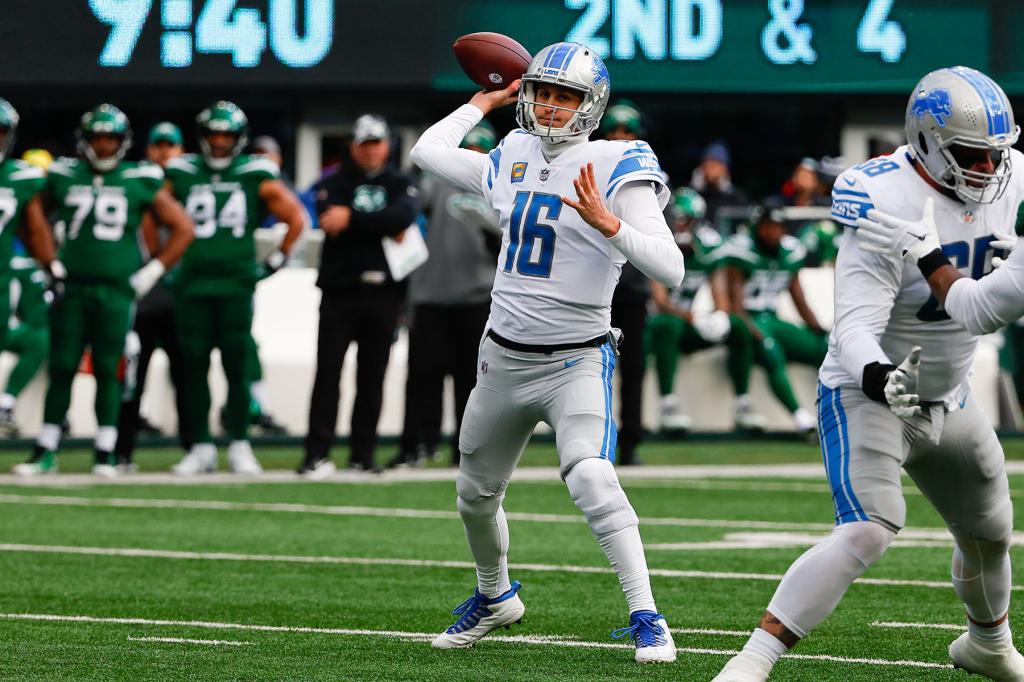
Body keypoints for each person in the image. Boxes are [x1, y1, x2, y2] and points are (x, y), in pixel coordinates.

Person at [714, 66, 1024, 681]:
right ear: (928, 140)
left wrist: (930, 256)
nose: (988, 172)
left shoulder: (1011, 181)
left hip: (949, 393)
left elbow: (978, 309)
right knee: (869, 529)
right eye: (972, 156)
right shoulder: (884, 195)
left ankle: (988, 644)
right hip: (871, 390)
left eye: (996, 157)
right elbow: (853, 323)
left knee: (991, 530)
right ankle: (753, 660)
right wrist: (880, 375)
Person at [410, 42, 684, 662]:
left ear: (591, 106)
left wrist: (610, 225)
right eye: (542, 91)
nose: (551, 106)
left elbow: (672, 267)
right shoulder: (511, 151)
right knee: (474, 494)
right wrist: (482, 100)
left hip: (576, 358)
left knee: (589, 475)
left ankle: (647, 616)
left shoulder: (618, 161)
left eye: (566, 96)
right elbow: (426, 152)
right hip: (502, 356)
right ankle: (494, 596)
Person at [13, 104, 194, 477]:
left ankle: (105, 451)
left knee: (110, 370)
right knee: (62, 366)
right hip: (73, 286)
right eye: (97, 137)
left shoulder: (139, 178)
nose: (104, 145)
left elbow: (183, 227)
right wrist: (50, 261)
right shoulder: (63, 174)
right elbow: (31, 218)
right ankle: (46, 448)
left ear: (123, 141)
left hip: (115, 290)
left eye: (110, 138)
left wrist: (153, 271)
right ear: (84, 140)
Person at [167, 101, 305, 475]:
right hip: (193, 283)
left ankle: (241, 443)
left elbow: (296, 217)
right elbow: (152, 216)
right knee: (192, 366)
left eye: (227, 135)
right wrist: (162, 264)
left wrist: (273, 263)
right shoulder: (181, 170)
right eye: (214, 134)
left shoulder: (254, 171)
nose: (221, 142)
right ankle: (199, 445)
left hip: (235, 283)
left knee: (236, 364)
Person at [299, 114, 419, 476]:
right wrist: (379, 223)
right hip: (340, 291)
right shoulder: (333, 181)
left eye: (377, 143)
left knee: (372, 376)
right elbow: (328, 217)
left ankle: (362, 454)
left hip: (383, 293)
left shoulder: (400, 182)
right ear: (353, 146)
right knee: (328, 374)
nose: (371, 151)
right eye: (365, 144)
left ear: (387, 146)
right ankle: (316, 453)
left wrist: (352, 218)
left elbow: (403, 217)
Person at [387, 122, 499, 470]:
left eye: (482, 151)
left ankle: (466, 452)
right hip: (431, 293)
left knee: (474, 381)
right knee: (422, 377)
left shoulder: (503, 189)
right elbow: (406, 216)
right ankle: (416, 445)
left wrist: (490, 224)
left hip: (478, 295)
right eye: (470, 149)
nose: (475, 156)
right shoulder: (434, 183)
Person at [114, 122, 193, 468]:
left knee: (187, 378)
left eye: (170, 146)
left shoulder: (191, 186)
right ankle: (121, 451)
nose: (164, 152)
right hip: (142, 298)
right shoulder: (137, 186)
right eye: (158, 145)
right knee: (131, 380)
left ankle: (195, 448)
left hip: (179, 298)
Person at [712, 202, 826, 434]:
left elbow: (798, 296)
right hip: (751, 320)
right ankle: (801, 418)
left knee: (824, 348)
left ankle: (840, 412)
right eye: (767, 227)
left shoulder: (790, 252)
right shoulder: (742, 252)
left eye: (777, 227)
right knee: (771, 351)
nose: (772, 232)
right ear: (757, 228)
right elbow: (736, 305)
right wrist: (753, 329)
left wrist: (818, 328)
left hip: (774, 320)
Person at [646, 187, 751, 432]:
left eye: (686, 220)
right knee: (666, 325)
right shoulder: (655, 242)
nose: (681, 225)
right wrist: (694, 318)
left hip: (686, 324)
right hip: (655, 327)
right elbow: (659, 300)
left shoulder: (706, 248)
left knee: (737, 326)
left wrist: (720, 315)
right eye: (678, 219)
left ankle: (743, 404)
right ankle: (667, 405)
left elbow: (719, 292)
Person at [603, 101, 651, 464]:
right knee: (590, 368)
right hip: (596, 287)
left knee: (632, 369)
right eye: (614, 131)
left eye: (626, 132)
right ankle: (595, 442)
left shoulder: (647, 180)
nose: (620, 138)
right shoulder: (591, 169)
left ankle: (630, 440)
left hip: (631, 289)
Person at [689, 141, 750, 229]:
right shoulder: (692, 195)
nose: (710, 169)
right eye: (707, 164)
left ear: (725, 168)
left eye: (715, 164)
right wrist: (693, 189)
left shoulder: (737, 198)